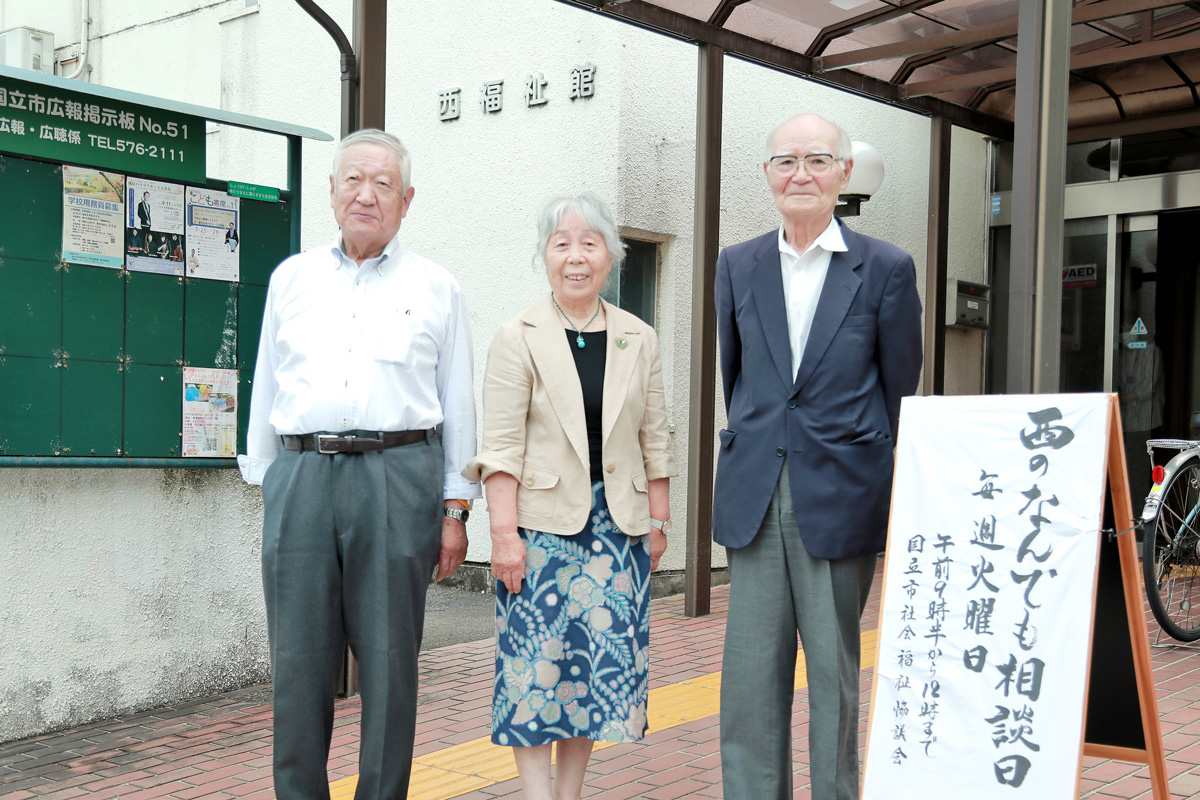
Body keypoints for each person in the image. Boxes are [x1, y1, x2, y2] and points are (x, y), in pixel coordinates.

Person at [239, 128, 480, 800]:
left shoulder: (437, 286)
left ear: (406, 199)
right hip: (302, 475)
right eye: (353, 180)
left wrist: (455, 507)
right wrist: (270, 479)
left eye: (382, 184)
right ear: (332, 191)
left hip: (397, 475)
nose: (365, 194)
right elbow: (267, 381)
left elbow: (456, 401)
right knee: (297, 666)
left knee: (389, 664)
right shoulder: (292, 278)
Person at [714, 113, 922, 800]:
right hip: (756, 488)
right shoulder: (737, 262)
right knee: (749, 676)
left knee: (833, 674)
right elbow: (736, 377)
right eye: (785, 161)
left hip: (840, 492)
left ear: (845, 173)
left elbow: (899, 385)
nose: (800, 173)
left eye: (817, 160)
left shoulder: (885, 267)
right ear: (768, 174)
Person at [463, 192, 675, 800]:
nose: (576, 256)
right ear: (545, 255)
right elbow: (499, 449)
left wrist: (660, 521)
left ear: (612, 255)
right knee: (535, 672)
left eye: (590, 242)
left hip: (619, 530)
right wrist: (503, 536)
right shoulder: (518, 335)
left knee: (589, 674)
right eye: (562, 243)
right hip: (539, 531)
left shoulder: (639, 336)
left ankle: (570, 793)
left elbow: (654, 437)